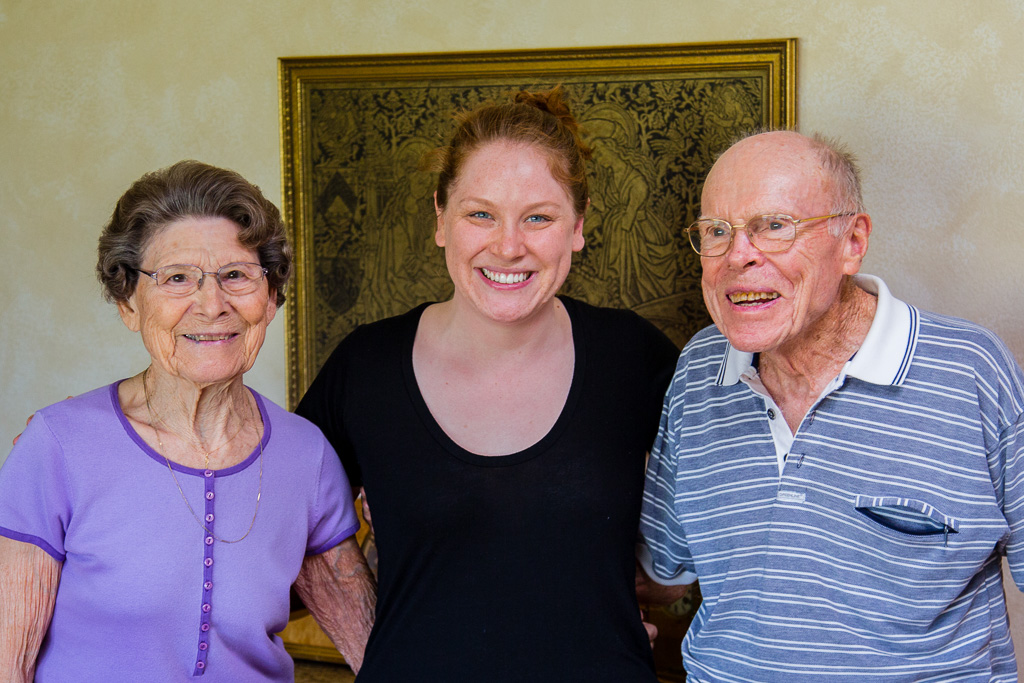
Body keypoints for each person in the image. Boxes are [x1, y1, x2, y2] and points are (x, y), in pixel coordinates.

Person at [296, 88, 679, 681]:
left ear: (577, 227)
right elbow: (279, 527)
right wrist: (371, 638)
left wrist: (622, 608)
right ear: (440, 219)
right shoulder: (365, 367)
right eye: (481, 213)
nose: (508, 245)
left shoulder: (632, 355)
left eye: (538, 217)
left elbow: (731, 510)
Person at [637, 130, 1024, 681]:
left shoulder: (971, 373)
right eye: (716, 232)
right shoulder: (700, 370)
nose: (738, 255)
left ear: (852, 242)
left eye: (774, 226)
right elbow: (661, 566)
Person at [0, 161, 376, 682]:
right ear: (129, 303)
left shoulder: (306, 455)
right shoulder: (58, 445)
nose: (211, 304)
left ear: (270, 301)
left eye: (237, 276)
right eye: (177, 278)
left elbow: (377, 652)